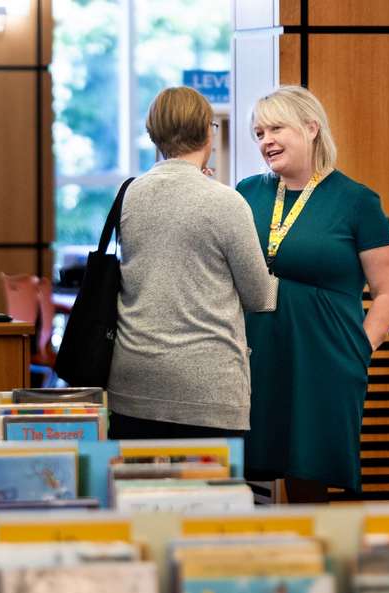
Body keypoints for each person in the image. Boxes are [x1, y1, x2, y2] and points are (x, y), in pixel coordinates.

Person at [237, 86, 389, 501]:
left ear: (311, 128)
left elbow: (388, 292)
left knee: (310, 475)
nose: (266, 141)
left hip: (326, 358)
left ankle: (318, 560)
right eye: (259, 133)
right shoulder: (246, 193)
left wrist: (360, 348)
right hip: (254, 352)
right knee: (249, 467)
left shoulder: (357, 201)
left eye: (276, 128)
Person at [107, 86, 276, 440]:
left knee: (139, 493)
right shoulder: (225, 202)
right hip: (205, 389)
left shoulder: (129, 194)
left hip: (132, 380)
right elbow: (258, 295)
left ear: (154, 134)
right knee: (209, 495)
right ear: (207, 132)